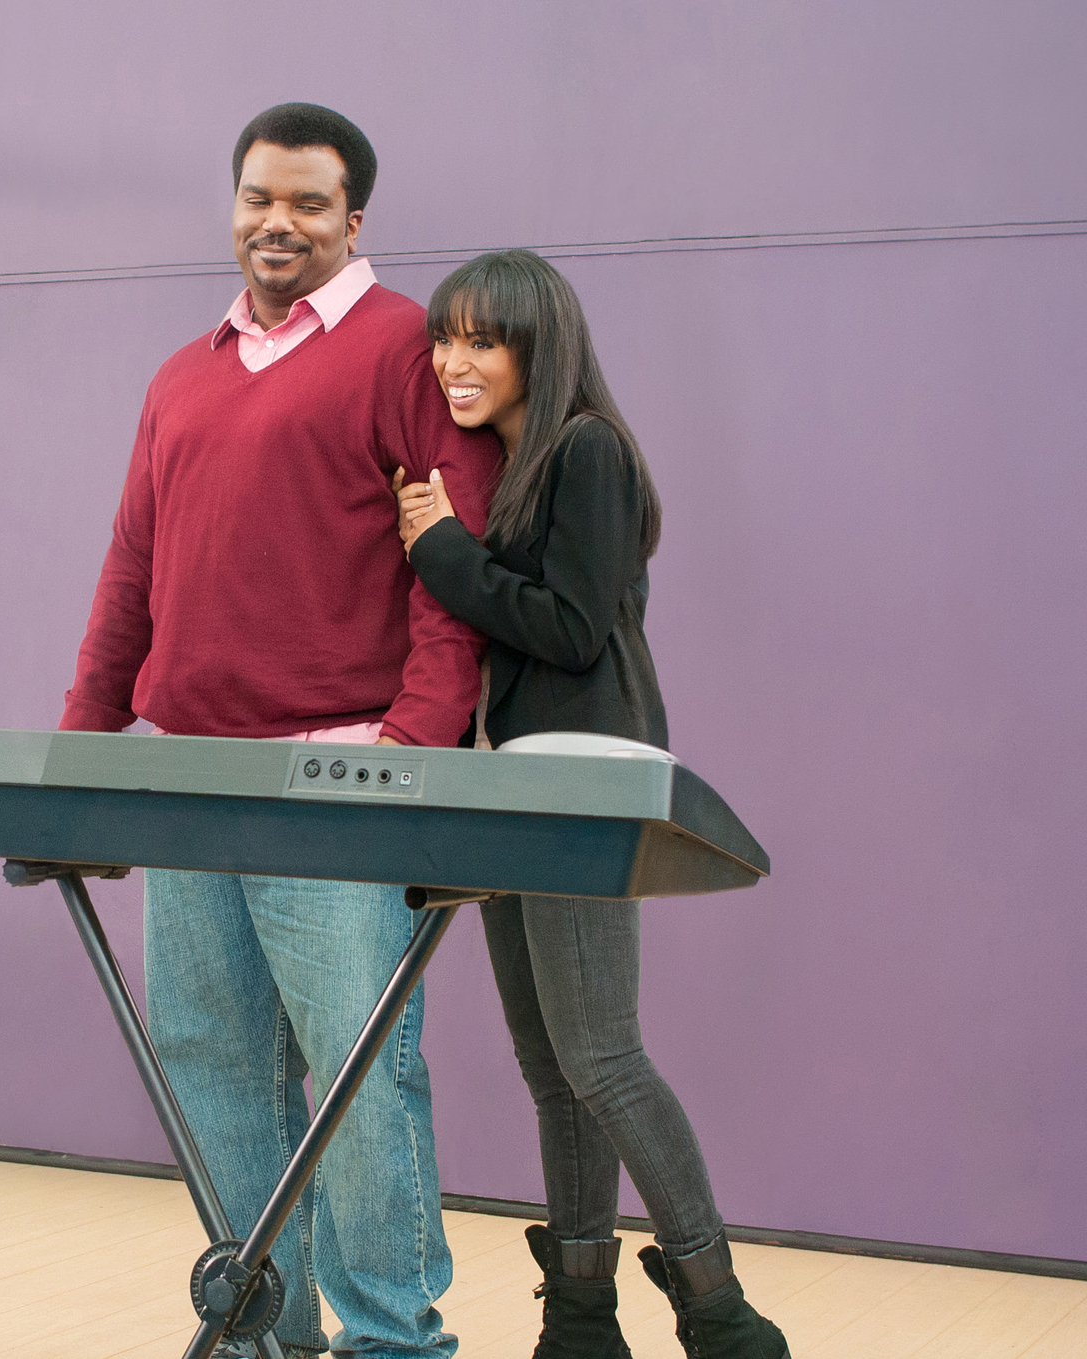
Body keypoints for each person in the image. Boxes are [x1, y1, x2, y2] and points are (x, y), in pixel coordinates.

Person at [61, 103, 504, 1359]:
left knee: (360, 1081)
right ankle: (264, 1331)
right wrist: (80, 759)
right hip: (188, 775)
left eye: (309, 203)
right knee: (213, 1069)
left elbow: (448, 571)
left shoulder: (405, 350)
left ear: (353, 219)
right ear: (233, 204)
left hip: (338, 768)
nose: (278, 222)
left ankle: (391, 1338)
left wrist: (408, 756)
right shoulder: (180, 375)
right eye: (260, 197)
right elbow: (130, 570)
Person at [395, 248, 789, 1359]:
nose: (453, 360)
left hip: (581, 782)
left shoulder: (586, 450)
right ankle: (578, 1318)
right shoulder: (505, 463)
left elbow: (570, 628)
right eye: (444, 336)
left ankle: (722, 1317)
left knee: (601, 1055)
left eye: (482, 338)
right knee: (550, 1064)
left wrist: (441, 553)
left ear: (538, 345)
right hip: (517, 786)